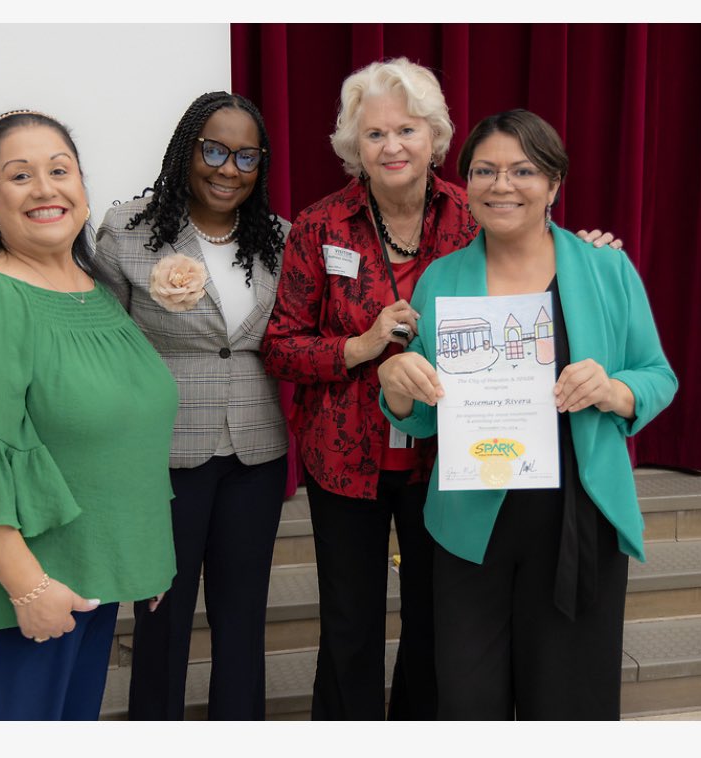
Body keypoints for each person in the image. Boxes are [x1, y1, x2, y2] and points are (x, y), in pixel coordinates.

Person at [261, 58, 619, 720]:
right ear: (353, 147)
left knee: (437, 626)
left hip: (453, 462)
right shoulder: (320, 227)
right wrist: (359, 348)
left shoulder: (477, 209)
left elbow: (543, 257)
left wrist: (593, 251)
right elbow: (280, 346)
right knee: (349, 625)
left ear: (434, 137)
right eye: (374, 135)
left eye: (407, 130)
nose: (392, 146)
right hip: (347, 462)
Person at [377, 107, 678, 719]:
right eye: (485, 170)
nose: (502, 184)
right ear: (467, 185)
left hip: (576, 520)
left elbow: (657, 377)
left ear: (553, 186)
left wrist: (613, 389)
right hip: (471, 525)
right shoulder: (442, 278)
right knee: (469, 700)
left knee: (569, 702)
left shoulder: (604, 267)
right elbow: (423, 419)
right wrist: (397, 387)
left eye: (523, 170)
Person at [0, 110, 177, 720]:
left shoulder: (95, 294)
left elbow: (120, 436)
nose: (45, 188)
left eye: (60, 170)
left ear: (83, 187)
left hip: (82, 593)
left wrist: (140, 555)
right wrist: (30, 587)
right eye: (20, 176)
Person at [96, 91, 289, 721]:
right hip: (164, 454)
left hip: (255, 452)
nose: (227, 169)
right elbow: (103, 352)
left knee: (243, 619)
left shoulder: (280, 240)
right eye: (212, 150)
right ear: (185, 151)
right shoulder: (128, 230)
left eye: (245, 156)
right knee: (163, 616)